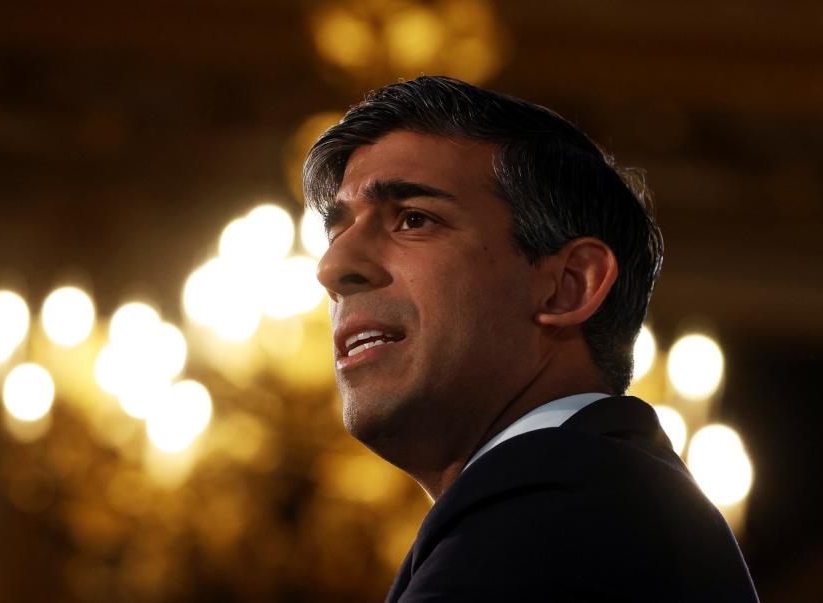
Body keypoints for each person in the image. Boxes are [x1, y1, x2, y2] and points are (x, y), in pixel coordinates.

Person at [304, 76, 759, 602]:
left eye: (413, 219)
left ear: (568, 286)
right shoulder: (603, 500)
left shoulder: (567, 504)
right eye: (338, 232)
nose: (332, 267)